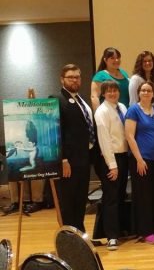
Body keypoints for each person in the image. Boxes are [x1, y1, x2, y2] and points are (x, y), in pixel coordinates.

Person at [55, 64, 99, 232]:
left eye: (77, 77)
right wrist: (63, 159)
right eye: (70, 77)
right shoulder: (58, 100)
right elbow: (58, 132)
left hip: (83, 158)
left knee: (80, 199)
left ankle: (80, 234)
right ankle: (68, 236)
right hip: (69, 161)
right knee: (68, 201)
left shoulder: (80, 99)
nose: (74, 80)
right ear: (62, 79)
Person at [125, 82, 154, 244]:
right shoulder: (133, 110)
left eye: (149, 90)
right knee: (144, 197)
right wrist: (139, 159)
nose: (146, 92)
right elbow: (129, 136)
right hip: (142, 160)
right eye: (143, 90)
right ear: (138, 93)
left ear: (153, 94)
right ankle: (145, 231)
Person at [94, 80, 129, 250]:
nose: (113, 94)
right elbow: (104, 140)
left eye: (115, 90)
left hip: (123, 156)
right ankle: (111, 236)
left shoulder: (122, 107)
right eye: (109, 91)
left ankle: (120, 229)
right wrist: (112, 165)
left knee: (120, 195)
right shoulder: (101, 111)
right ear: (103, 94)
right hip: (110, 159)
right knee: (111, 198)